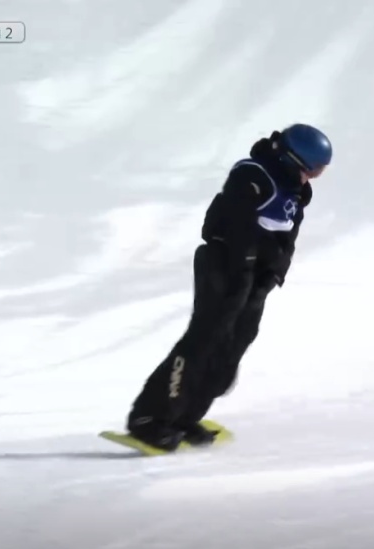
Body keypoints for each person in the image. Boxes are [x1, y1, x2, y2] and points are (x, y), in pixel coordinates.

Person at [125, 123, 332, 452]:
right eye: (314, 170)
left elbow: (288, 236)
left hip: (255, 274)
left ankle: (184, 417)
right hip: (224, 264)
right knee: (204, 340)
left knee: (233, 346)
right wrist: (244, 266)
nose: (314, 178)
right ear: (293, 160)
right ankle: (149, 419)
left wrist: (274, 274)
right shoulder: (252, 174)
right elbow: (237, 224)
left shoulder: (297, 190)